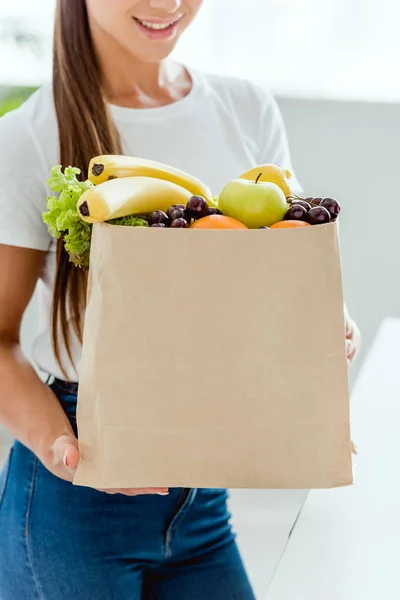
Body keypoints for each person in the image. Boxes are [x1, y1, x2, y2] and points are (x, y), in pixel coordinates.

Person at [0, 1, 361, 598]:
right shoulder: (28, 137)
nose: (167, 4)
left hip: (202, 499)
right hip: (78, 501)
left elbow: (282, 267)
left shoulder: (245, 108)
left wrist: (325, 318)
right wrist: (63, 448)